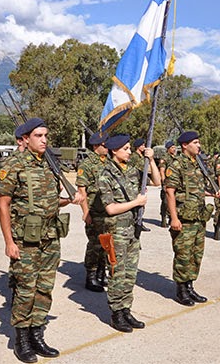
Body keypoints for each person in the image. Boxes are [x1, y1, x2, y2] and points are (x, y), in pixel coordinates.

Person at [0, 118, 79, 363]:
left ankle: (37, 334)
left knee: (44, 289)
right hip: (25, 241)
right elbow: (4, 204)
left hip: (50, 238)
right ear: (26, 139)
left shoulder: (51, 164)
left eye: (45, 135)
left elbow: (52, 200)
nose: (44, 140)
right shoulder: (14, 165)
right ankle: (21, 340)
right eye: (39, 136)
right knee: (25, 290)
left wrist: (70, 200)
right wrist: (9, 241)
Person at [94, 134, 160, 332]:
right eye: (126, 149)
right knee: (117, 273)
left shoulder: (132, 170)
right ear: (114, 151)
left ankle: (126, 309)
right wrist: (136, 203)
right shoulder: (105, 174)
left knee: (130, 274)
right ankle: (116, 313)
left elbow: (157, 181)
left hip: (132, 229)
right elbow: (110, 208)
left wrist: (151, 160)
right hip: (116, 231)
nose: (130, 152)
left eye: (130, 148)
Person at [165, 131, 220, 306]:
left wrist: (214, 193)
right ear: (185, 145)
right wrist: (174, 218)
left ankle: (190, 286)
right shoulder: (177, 165)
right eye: (196, 142)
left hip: (198, 217)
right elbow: (170, 192)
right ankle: (181, 289)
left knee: (196, 255)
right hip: (184, 218)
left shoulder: (197, 164)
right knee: (183, 255)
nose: (199, 145)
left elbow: (196, 190)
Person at [76, 132, 109, 293]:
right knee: (95, 245)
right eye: (104, 145)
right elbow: (81, 191)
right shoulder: (87, 165)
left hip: (107, 212)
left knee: (106, 243)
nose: (107, 147)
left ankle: (102, 273)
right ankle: (91, 275)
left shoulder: (109, 162)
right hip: (94, 212)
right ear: (96, 146)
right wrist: (86, 212)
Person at [158, 140, 177, 227]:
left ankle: (171, 218)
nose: (174, 149)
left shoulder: (176, 158)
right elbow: (162, 171)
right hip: (167, 182)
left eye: (174, 147)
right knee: (165, 202)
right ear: (168, 148)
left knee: (174, 201)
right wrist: (164, 183)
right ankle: (163, 218)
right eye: (172, 147)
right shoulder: (164, 158)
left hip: (175, 182)